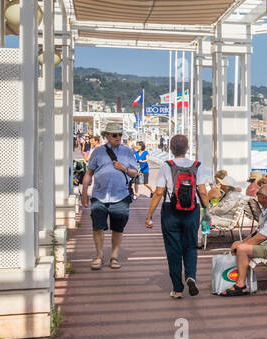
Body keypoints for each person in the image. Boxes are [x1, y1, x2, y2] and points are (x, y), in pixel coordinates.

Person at [144, 133, 212, 299]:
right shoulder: (197, 165)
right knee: (190, 246)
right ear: (188, 148)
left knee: (173, 250)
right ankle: (191, 276)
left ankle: (177, 289)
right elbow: (202, 191)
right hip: (192, 210)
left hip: (170, 211)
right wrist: (207, 211)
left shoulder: (167, 166)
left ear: (171, 149)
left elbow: (159, 192)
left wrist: (149, 215)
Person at [79, 121, 141, 270]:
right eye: (114, 135)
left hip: (120, 195)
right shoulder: (98, 152)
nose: (118, 137)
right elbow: (89, 173)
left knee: (118, 228)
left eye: (120, 134)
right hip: (99, 195)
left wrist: (124, 168)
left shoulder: (127, 151)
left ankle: (114, 257)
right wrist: (84, 193)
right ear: (107, 136)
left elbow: (135, 172)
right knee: (97, 227)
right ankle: (99, 256)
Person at [226, 177, 267, 295]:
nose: (256, 196)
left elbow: (262, 236)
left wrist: (242, 245)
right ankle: (237, 278)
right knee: (238, 245)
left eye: (258, 194)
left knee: (242, 250)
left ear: (264, 198)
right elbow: (257, 233)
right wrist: (241, 242)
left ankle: (241, 285)